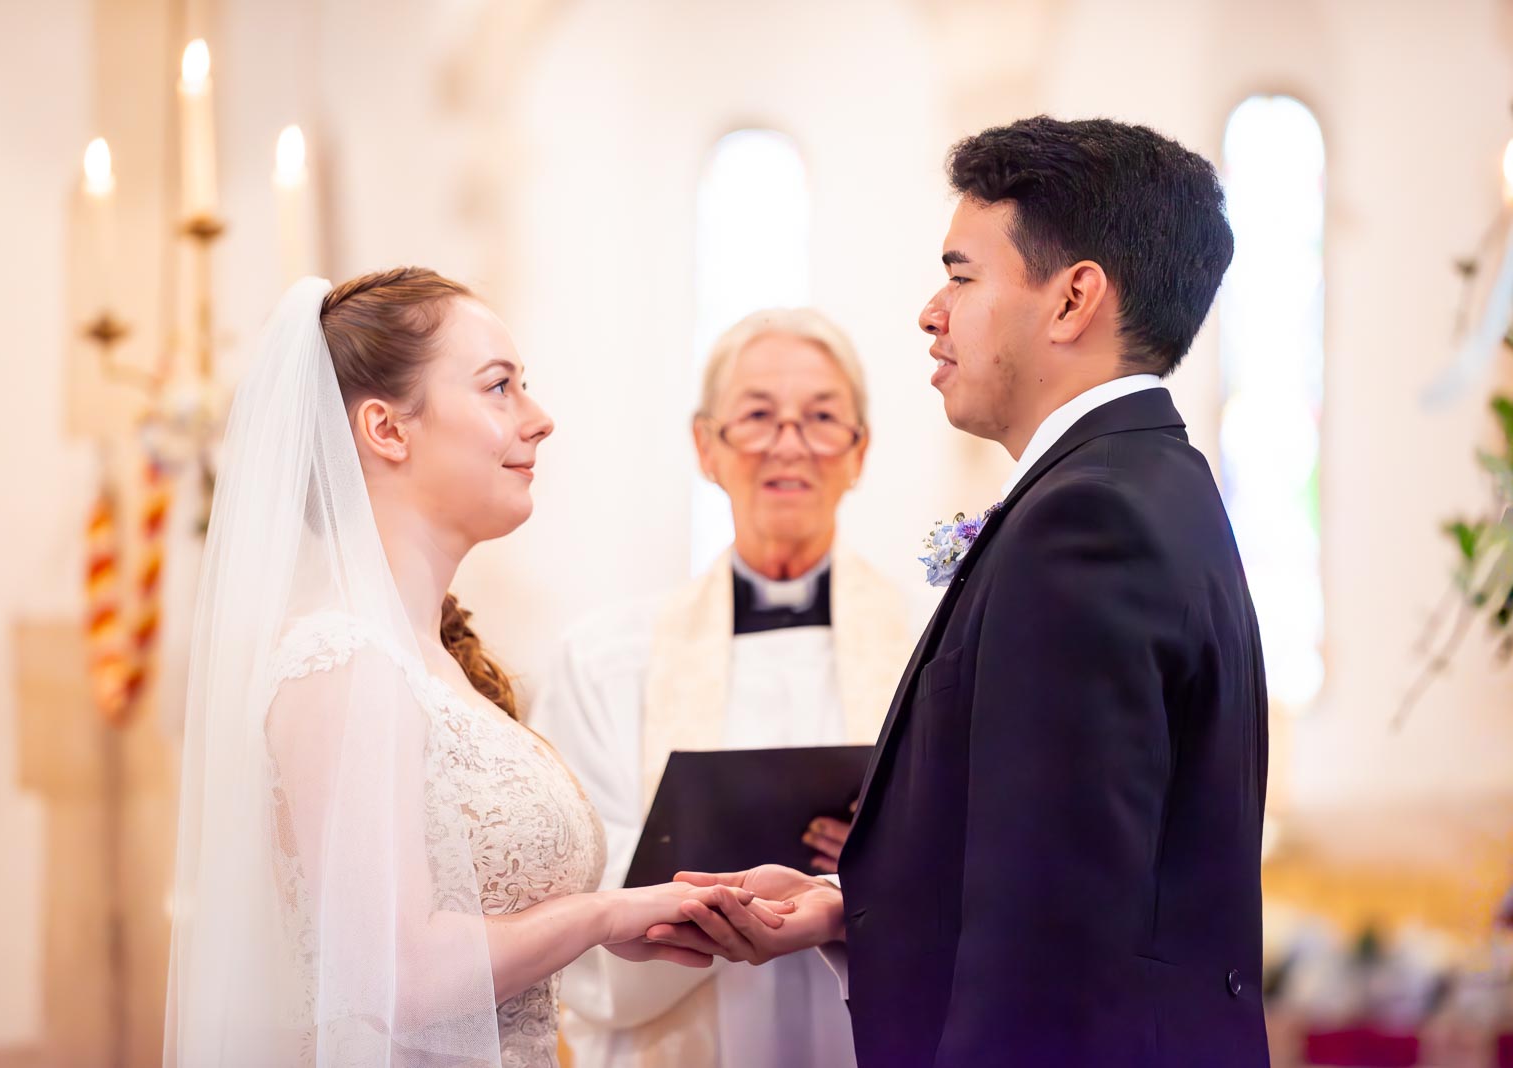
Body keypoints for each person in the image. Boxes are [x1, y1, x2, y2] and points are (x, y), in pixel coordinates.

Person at [652, 116, 1272, 1067]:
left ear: (1071, 301)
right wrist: (850, 907)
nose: (931, 312)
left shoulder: (1084, 525)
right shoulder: (1146, 484)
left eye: (962, 274)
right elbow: (1043, 872)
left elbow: (1056, 943)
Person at [163, 268, 791, 1068]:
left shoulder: (436, 664)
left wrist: (663, 912)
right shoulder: (342, 663)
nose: (539, 420)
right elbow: (399, 976)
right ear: (387, 430)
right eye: (500, 387)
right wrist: (603, 917)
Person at [528, 309, 910, 1068]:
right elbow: (568, 866)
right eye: (759, 416)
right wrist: (710, 886)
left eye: (823, 418)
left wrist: (887, 854)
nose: (789, 444)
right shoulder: (609, 656)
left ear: (859, 451)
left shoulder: (935, 643)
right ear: (708, 446)